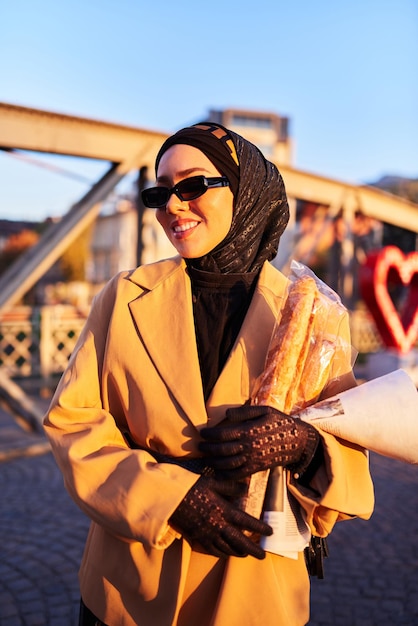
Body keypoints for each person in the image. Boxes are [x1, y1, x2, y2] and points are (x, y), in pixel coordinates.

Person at [43, 122, 374, 626]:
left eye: (192, 185)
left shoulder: (310, 313)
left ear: (246, 193)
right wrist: (172, 500)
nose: (172, 206)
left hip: (252, 592)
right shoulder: (122, 295)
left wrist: (305, 448)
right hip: (129, 587)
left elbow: (350, 460)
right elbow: (73, 423)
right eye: (159, 192)